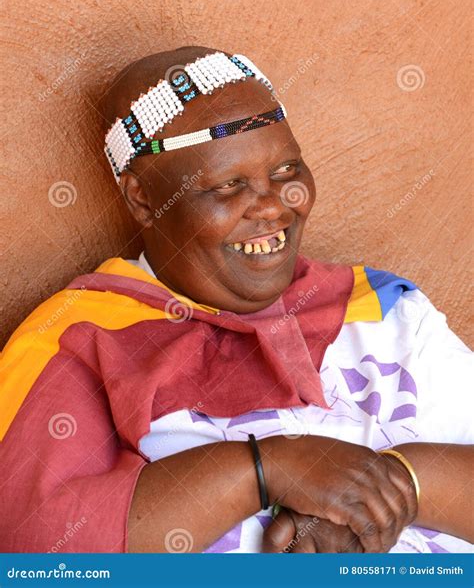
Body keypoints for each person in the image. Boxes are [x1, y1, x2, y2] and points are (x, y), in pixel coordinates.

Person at [0, 46, 472, 554]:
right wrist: (265, 471)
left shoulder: (382, 310)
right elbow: (34, 548)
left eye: (288, 170)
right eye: (228, 185)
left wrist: (382, 492)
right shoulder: (77, 338)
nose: (274, 206)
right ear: (142, 198)